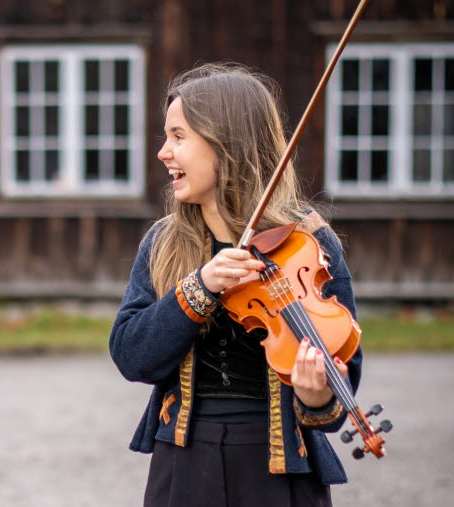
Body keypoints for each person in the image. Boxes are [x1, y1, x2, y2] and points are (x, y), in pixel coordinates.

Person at [109, 63, 362, 507]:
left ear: (226, 143)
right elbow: (132, 357)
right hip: (184, 459)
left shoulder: (310, 241)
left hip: (280, 465)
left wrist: (316, 393)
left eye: (179, 136)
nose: (163, 152)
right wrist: (198, 288)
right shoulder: (165, 242)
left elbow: (342, 383)